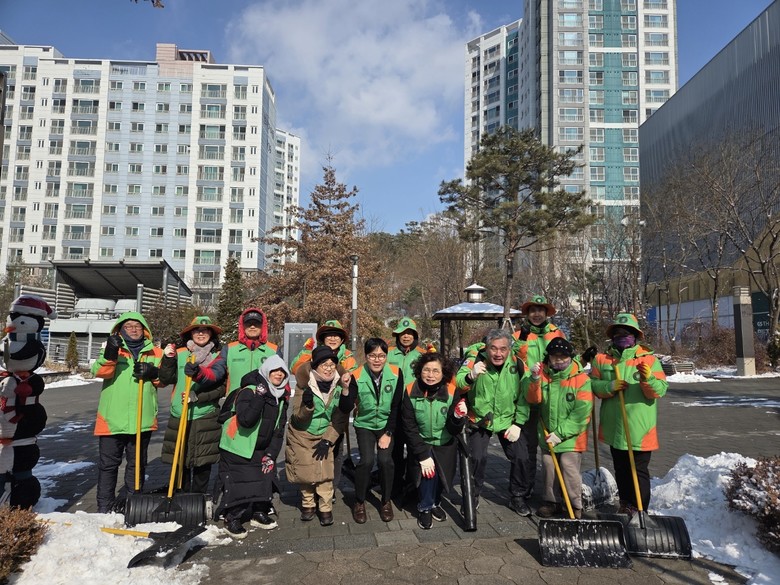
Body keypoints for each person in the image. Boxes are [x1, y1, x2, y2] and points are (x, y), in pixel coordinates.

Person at [590, 313, 668, 514]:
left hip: (639, 428)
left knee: (638, 471)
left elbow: (659, 390)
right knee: (621, 468)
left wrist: (647, 379)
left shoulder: (649, 360)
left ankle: (640, 509)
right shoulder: (602, 360)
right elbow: (593, 386)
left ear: (635, 336)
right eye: (618, 334)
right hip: (614, 427)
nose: (622, 337)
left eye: (627, 334)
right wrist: (609, 386)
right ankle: (625, 505)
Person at [91, 311, 163, 513]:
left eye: (138, 326)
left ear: (144, 330)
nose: (133, 329)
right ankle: (105, 506)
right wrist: (110, 355)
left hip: (142, 419)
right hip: (112, 419)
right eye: (129, 326)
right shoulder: (112, 348)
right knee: (108, 465)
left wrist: (154, 373)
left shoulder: (156, 353)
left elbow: (164, 380)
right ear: (120, 329)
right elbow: (99, 372)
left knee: (137, 464)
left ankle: (134, 504)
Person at [456, 329, 532, 515]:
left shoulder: (517, 363)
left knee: (522, 456)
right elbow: (458, 383)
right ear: (487, 347)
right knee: (476, 457)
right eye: (494, 348)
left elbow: (525, 395)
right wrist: (470, 375)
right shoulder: (475, 359)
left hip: (507, 419)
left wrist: (519, 424)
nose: (498, 353)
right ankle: (472, 496)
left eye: (503, 349)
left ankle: (518, 496)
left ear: (509, 349)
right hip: (480, 419)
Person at [216, 354, 291, 539]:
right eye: (275, 370)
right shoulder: (249, 391)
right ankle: (232, 518)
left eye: (282, 371)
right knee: (241, 483)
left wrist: (271, 454)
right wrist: (259, 397)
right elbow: (246, 420)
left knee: (265, 479)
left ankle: (259, 512)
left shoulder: (280, 397)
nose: (279, 374)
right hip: (239, 445)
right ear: (266, 371)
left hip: (261, 447)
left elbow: (278, 430)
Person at [284, 346, 355, 526]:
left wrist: (328, 439)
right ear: (315, 366)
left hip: (325, 433)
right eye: (324, 364)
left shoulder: (339, 384)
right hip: (301, 434)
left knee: (325, 473)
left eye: (332, 364)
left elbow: (340, 418)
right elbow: (297, 417)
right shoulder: (304, 384)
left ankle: (325, 507)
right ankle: (308, 504)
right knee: (305, 472)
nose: (329, 368)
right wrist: (308, 406)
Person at [158, 316, 226, 498]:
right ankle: (181, 497)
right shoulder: (179, 353)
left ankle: (197, 498)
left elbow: (221, 389)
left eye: (205, 330)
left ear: (211, 334)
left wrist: (198, 397)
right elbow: (165, 379)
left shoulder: (218, 356)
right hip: (180, 413)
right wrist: (167, 359)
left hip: (206, 415)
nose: (201, 333)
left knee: (203, 461)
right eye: (197, 330)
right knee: (181, 460)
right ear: (190, 333)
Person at [525, 337, 593, 519]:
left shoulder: (581, 379)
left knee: (568, 467)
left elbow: (581, 414)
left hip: (572, 436)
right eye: (555, 356)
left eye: (563, 356)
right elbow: (532, 399)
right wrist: (534, 379)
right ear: (548, 357)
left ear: (570, 357)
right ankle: (551, 502)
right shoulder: (544, 376)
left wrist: (560, 434)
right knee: (549, 467)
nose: (559, 360)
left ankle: (574, 505)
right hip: (547, 433)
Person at [401, 352, 467, 529]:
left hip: (445, 442)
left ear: (443, 373)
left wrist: (457, 417)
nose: (430, 375)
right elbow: (409, 426)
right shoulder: (410, 390)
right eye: (426, 370)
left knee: (442, 476)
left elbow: (454, 429)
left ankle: (435, 502)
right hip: (422, 441)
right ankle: (425, 507)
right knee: (428, 473)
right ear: (419, 370)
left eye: (436, 371)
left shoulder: (452, 391)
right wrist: (423, 455)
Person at [513, 294, 567, 500]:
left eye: (540, 310)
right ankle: (526, 485)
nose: (537, 314)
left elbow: (566, 359)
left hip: (552, 395)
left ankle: (555, 491)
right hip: (527, 395)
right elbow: (515, 360)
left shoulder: (556, 333)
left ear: (546, 313)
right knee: (528, 446)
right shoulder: (519, 334)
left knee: (553, 443)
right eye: (533, 310)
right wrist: (522, 339)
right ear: (527, 314)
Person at [350, 338, 404, 524]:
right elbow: (346, 405)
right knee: (366, 461)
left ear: (386, 357)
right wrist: (345, 389)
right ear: (366, 356)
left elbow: (396, 405)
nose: (377, 360)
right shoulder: (356, 375)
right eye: (372, 355)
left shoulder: (396, 373)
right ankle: (359, 501)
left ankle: (386, 501)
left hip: (385, 424)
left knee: (385, 460)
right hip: (364, 424)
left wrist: (388, 433)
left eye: (381, 356)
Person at [386, 318, 428, 500]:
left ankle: (413, 487)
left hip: (415, 409)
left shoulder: (423, 355)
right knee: (394, 451)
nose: (406, 336)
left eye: (409, 333)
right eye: (402, 333)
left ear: (415, 335)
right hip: (393, 409)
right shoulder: (388, 354)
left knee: (413, 450)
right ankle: (395, 485)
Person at [221, 308, 279, 396]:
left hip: (264, 403)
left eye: (256, 323)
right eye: (248, 323)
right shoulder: (229, 350)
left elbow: (283, 381)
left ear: (262, 326)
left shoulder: (274, 351)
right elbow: (215, 372)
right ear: (242, 326)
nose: (252, 327)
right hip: (235, 402)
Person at [290, 320, 357, 375]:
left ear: (342, 340)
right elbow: (295, 371)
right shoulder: (313, 355)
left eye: (336, 336)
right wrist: (307, 352)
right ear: (323, 339)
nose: (332, 339)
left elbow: (352, 378)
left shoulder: (347, 357)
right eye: (329, 335)